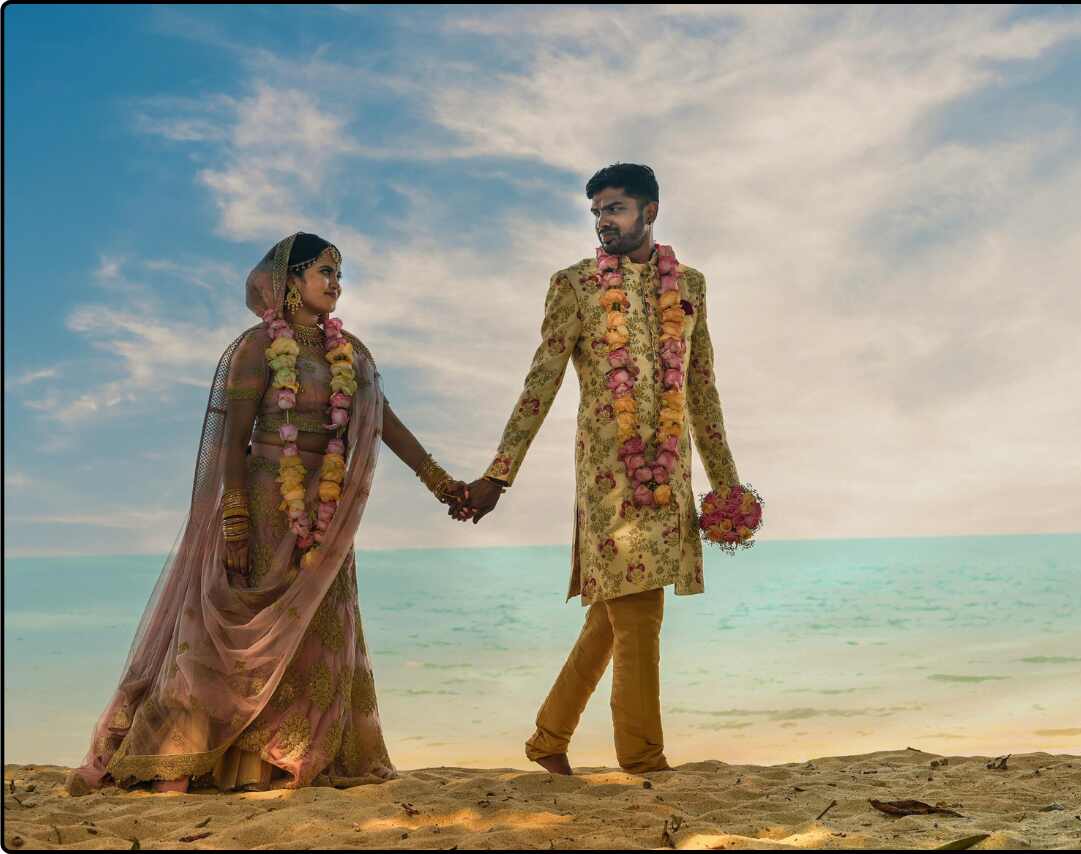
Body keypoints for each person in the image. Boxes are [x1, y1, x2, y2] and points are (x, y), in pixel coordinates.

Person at [67, 232, 468, 795]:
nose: (335, 283)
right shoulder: (258, 347)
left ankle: (279, 763)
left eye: (338, 274)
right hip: (260, 504)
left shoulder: (349, 353)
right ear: (289, 282)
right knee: (222, 639)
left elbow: (384, 423)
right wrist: (233, 518)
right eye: (324, 271)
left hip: (323, 518)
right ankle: (180, 763)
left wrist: (442, 483)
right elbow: (232, 439)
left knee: (313, 637)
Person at [455, 164, 745, 775]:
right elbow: (542, 381)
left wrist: (727, 485)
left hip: (668, 477)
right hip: (608, 481)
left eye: (614, 208)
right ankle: (643, 761)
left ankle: (547, 739)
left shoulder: (689, 286)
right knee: (638, 614)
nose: (603, 221)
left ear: (651, 211)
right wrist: (499, 473)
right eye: (596, 212)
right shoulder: (576, 286)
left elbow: (703, 390)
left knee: (614, 615)